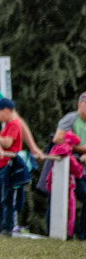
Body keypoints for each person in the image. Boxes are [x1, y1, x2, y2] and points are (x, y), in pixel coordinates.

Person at [50, 93, 86, 240]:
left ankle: (80, 234)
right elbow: (58, 139)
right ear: (80, 105)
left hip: (82, 168)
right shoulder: (71, 118)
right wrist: (80, 149)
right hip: (71, 168)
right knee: (60, 198)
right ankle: (70, 233)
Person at [0, 98, 22, 234]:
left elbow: (7, 143)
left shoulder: (14, 124)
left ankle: (6, 228)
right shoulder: (8, 125)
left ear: (6, 111)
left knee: (6, 199)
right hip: (2, 166)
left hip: (7, 166)